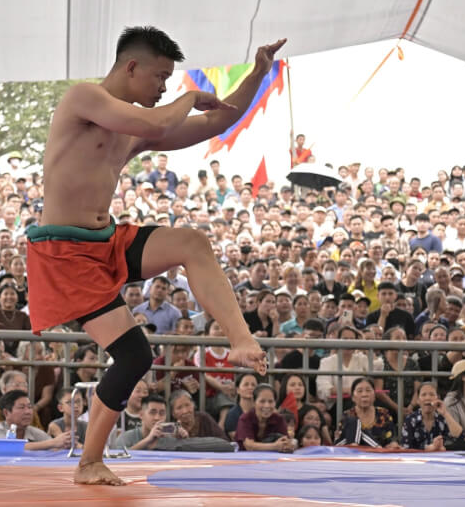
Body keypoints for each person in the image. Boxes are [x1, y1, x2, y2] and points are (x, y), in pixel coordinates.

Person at [26, 26, 278, 484]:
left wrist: (258, 73)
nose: (164, 87)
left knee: (193, 243)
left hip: (106, 239)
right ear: (131, 66)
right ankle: (89, 462)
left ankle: (240, 338)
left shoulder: (132, 132)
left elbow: (217, 122)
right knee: (134, 355)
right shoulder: (83, 98)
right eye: (161, 76)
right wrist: (191, 96)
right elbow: (160, 121)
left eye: (170, 80)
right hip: (64, 252)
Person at [0, 390, 72, 451]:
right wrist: (53, 442)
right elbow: (11, 448)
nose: (28, 412)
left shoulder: (35, 432)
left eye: (30, 407)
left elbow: (54, 446)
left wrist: (65, 442)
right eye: (22, 407)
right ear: (6, 413)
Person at [336, 377, 399, 449]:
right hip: (354, 455)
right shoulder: (347, 416)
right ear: (353, 397)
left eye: (368, 390)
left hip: (378, 456)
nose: (364, 395)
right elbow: (341, 441)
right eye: (360, 391)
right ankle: (376, 447)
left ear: (374, 396)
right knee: (352, 421)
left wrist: (393, 444)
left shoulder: (383, 414)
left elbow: (391, 438)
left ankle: (376, 447)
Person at [401, 382, 464, 451]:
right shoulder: (410, 420)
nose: (428, 398)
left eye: (432, 394)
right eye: (423, 395)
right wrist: (428, 448)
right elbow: (406, 448)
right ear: (418, 400)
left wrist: (445, 413)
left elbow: (460, 437)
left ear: (438, 398)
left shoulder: (442, 418)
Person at [113, 393, 188, 450]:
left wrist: (183, 441)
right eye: (153, 412)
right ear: (141, 415)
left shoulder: (171, 439)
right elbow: (118, 460)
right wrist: (148, 440)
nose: (157, 418)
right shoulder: (125, 438)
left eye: (162, 413)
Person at [235, 384, 293, 452]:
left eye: (270, 401)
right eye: (262, 401)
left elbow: (286, 442)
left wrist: (287, 446)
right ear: (254, 402)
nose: (267, 406)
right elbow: (249, 446)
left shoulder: (278, 419)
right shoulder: (245, 419)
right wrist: (275, 446)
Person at [224, 373, 259, 440]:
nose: (250, 387)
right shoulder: (232, 414)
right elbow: (236, 438)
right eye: (246, 384)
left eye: (253, 385)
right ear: (238, 390)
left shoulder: (262, 412)